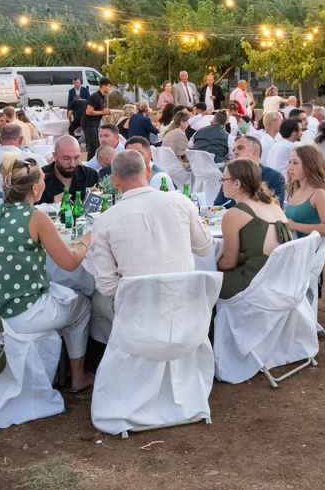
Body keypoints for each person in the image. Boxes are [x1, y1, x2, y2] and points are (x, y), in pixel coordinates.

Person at [0, 154, 94, 394]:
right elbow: (70, 264)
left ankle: (55, 366)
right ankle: (78, 377)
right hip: (24, 313)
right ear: (34, 188)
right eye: (43, 180)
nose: (44, 183)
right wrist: (87, 240)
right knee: (82, 304)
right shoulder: (36, 216)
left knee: (62, 296)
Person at [89, 149, 216, 339]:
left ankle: (116, 345)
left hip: (139, 316)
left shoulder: (105, 221)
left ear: (114, 182)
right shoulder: (181, 202)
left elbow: (107, 286)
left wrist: (138, 293)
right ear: (148, 172)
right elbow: (205, 248)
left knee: (97, 303)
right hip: (184, 309)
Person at [218, 158, 294, 299]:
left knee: (204, 283)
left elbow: (229, 262)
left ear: (237, 183)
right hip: (280, 279)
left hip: (255, 283)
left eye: (223, 179)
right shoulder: (273, 204)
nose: (221, 183)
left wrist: (209, 265)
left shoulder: (234, 213)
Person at [213, 133, 286, 207]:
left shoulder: (274, 177)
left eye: (240, 148)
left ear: (255, 150)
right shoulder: (230, 176)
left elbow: (276, 208)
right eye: (234, 150)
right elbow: (217, 205)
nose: (235, 152)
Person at [284, 145, 325, 240]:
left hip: (307, 247)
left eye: (295, 163)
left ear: (309, 165)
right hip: (294, 244)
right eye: (290, 162)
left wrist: (295, 226)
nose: (290, 167)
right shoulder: (297, 189)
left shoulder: (319, 193)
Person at [40, 136, 100, 204]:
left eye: (76, 158)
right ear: (55, 156)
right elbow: (32, 207)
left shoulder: (91, 176)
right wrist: (51, 205)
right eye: (66, 158)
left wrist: (98, 197)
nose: (72, 164)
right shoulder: (40, 178)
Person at [82, 77, 113, 158]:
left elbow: (97, 110)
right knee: (93, 145)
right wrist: (102, 112)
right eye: (109, 86)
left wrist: (105, 112)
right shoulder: (95, 96)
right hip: (89, 124)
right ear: (104, 86)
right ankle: (90, 163)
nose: (110, 88)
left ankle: (95, 162)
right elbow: (88, 111)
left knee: (97, 145)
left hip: (95, 124)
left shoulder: (101, 97)